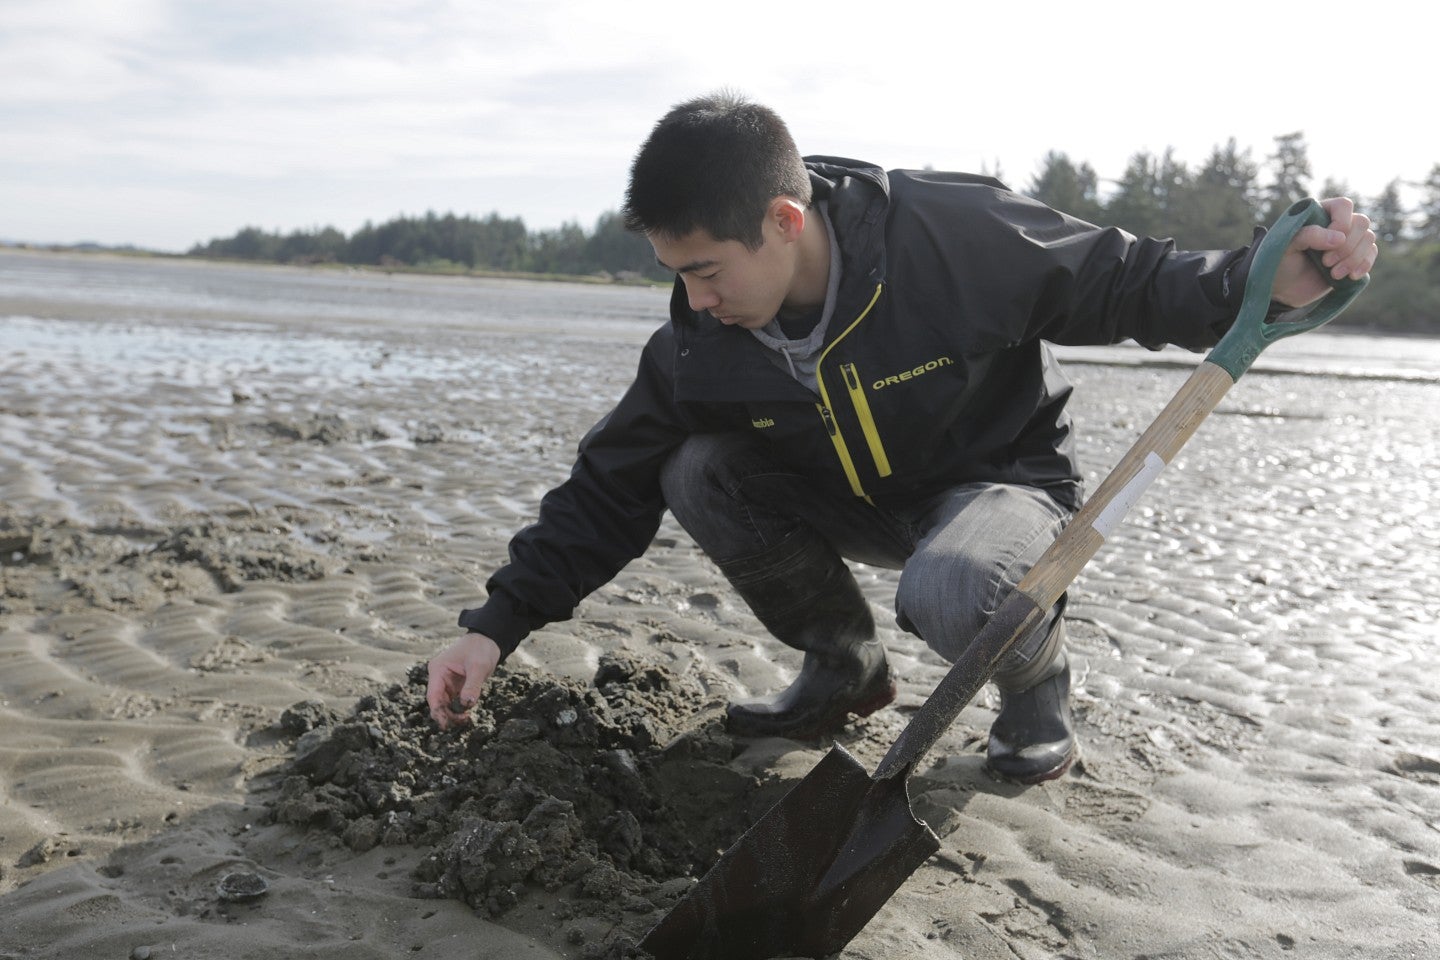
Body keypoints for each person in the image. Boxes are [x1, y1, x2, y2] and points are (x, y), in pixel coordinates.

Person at [426, 91, 1377, 784]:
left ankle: (1037, 692)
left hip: (995, 490)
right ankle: (843, 668)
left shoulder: (947, 234)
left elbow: (1124, 279)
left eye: (708, 270)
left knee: (955, 586)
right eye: (678, 275)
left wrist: (1255, 278)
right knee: (692, 466)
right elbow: (606, 488)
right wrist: (492, 631)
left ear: (783, 220)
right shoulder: (697, 341)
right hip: (854, 499)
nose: (696, 299)